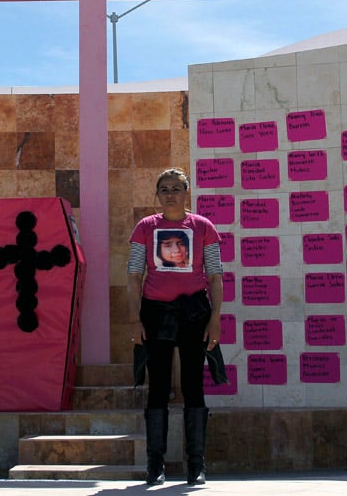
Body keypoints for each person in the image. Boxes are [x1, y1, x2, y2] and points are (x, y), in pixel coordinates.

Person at [127, 167, 223, 485]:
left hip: (195, 312)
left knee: (194, 384)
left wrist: (215, 320)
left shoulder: (203, 226)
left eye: (176, 188)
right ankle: (156, 464)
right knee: (157, 388)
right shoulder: (145, 227)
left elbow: (215, 276)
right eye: (165, 188)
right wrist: (135, 318)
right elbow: (133, 275)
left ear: (186, 192)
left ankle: (197, 464)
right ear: (157, 194)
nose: (170, 193)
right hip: (155, 313)